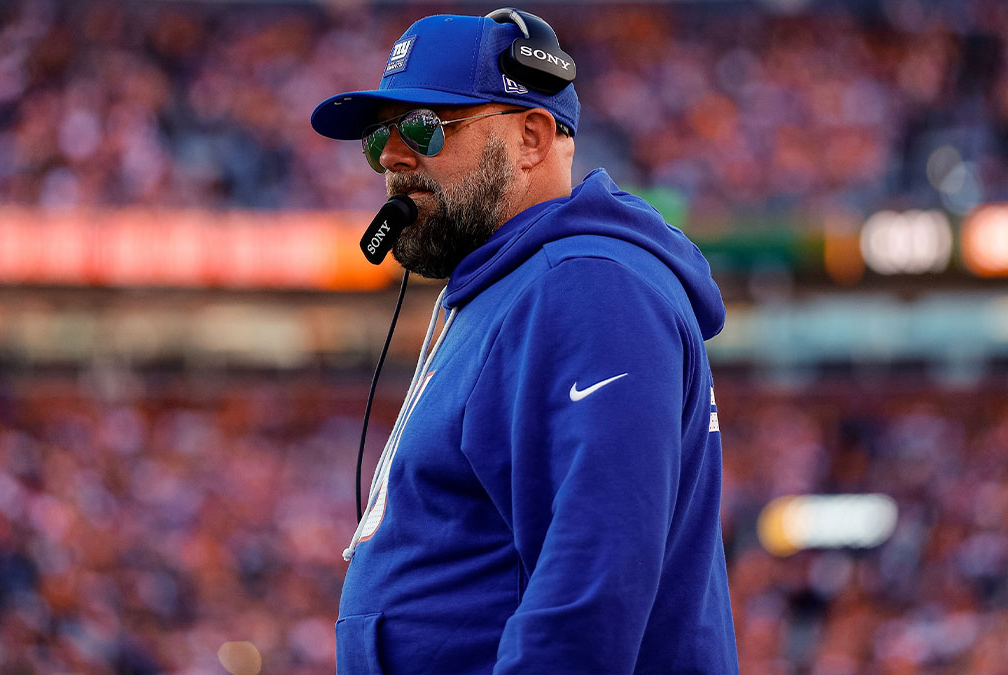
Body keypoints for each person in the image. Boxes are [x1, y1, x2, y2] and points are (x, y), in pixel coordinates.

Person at [311, 9, 738, 674]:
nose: (393, 156)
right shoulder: (513, 288)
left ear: (533, 138)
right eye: (379, 139)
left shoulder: (589, 285)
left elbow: (591, 584)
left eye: (425, 128)